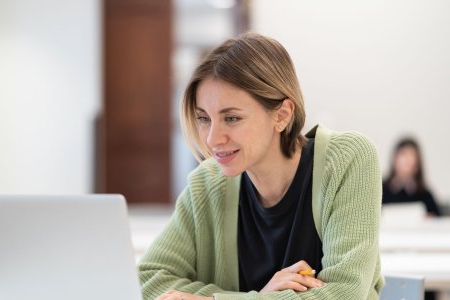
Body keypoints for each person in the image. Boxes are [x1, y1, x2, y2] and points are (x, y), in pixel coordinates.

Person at [138, 33, 383, 300]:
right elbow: (148, 279)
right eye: (204, 118)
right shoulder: (208, 184)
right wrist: (261, 295)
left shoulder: (347, 160)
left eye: (231, 118)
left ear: (281, 115)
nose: (212, 139)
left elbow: (346, 293)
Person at [382, 138, 441, 217]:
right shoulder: (380, 190)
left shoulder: (425, 194)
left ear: (417, 164)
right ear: (394, 159)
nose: (407, 160)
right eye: (403, 154)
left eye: (412, 155)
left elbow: (438, 219)